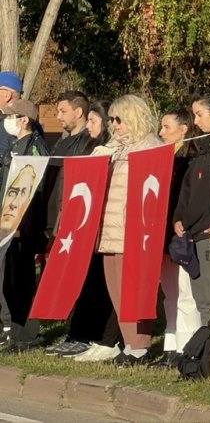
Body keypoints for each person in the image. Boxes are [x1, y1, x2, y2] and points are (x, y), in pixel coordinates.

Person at [94, 94, 162, 366]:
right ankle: (129, 343)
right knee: (117, 292)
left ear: (133, 116)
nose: (114, 124)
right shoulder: (114, 147)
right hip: (109, 231)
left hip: (133, 231)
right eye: (111, 119)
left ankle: (140, 347)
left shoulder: (149, 145)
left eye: (118, 119)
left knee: (135, 291)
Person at [43, 91, 108, 358]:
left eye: (62, 111)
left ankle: (87, 334)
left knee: (91, 281)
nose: (57, 117)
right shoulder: (70, 143)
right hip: (67, 219)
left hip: (86, 221)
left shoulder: (91, 146)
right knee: (74, 280)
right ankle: (74, 331)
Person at [173, 90, 210, 328]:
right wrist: (178, 217)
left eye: (199, 114)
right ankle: (208, 347)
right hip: (192, 234)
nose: (195, 121)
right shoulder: (201, 149)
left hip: (209, 232)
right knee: (201, 300)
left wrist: (191, 220)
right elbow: (187, 189)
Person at [150, 107, 201, 370]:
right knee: (169, 295)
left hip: (182, 235)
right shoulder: (162, 158)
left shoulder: (193, 159)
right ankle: (171, 345)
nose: (161, 133)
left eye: (166, 127)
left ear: (183, 129)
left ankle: (187, 347)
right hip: (163, 235)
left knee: (185, 295)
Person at [73, 100, 124, 363]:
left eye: (94, 121)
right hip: (96, 227)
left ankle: (111, 339)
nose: (89, 126)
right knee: (96, 285)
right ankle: (93, 336)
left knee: (113, 290)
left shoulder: (118, 151)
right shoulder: (94, 148)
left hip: (116, 230)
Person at [0, 98, 49, 353]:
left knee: (22, 281)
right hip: (9, 224)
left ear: (24, 120)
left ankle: (28, 335)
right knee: (10, 280)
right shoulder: (13, 146)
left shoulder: (35, 147)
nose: (8, 121)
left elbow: (36, 188)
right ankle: (16, 333)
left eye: (12, 116)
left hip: (25, 225)